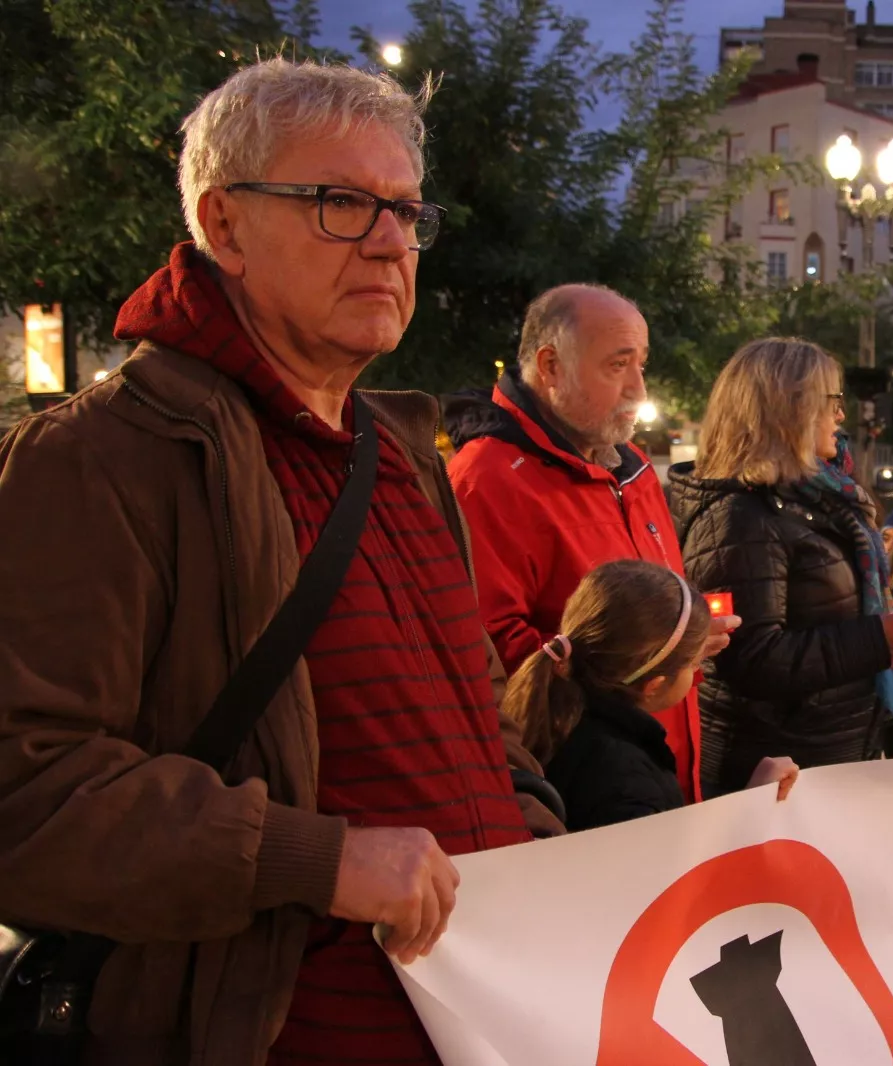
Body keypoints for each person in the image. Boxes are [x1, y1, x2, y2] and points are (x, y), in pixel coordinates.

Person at [0, 60, 560, 1064]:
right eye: (340, 203)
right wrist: (319, 859)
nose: (391, 242)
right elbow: (25, 793)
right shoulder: (103, 457)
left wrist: (556, 835)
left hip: (464, 1024)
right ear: (224, 226)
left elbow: (469, 713)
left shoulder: (402, 459)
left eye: (404, 211)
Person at [446, 284, 728, 804]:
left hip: (657, 777)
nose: (639, 389)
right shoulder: (486, 479)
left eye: (642, 364)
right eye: (618, 365)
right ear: (551, 366)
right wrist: (645, 657)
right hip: (581, 793)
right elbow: (484, 656)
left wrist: (681, 638)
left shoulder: (633, 468)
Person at [670, 338, 893, 796]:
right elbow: (752, 658)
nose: (841, 415)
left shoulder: (819, 497)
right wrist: (881, 638)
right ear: (788, 408)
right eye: (831, 400)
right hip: (774, 767)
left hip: (828, 750)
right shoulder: (740, 515)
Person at [503, 561, 799, 829]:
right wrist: (752, 805)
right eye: (695, 664)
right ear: (654, 685)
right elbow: (664, 879)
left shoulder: (556, 715)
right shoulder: (624, 778)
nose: (696, 674)